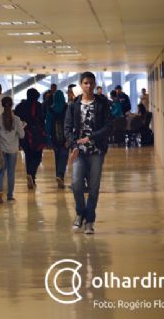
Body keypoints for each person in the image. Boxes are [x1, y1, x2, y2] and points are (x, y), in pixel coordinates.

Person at [65, 72, 113, 234]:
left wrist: (91, 137)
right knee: (76, 184)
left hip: (96, 151)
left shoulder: (102, 103)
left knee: (93, 187)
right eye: (85, 83)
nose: (89, 86)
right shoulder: (73, 105)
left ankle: (89, 221)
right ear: (81, 84)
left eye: (91, 83)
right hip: (79, 152)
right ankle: (80, 213)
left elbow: (108, 126)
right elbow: (68, 127)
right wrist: (74, 144)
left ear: (95, 84)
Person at [0, 96, 24, 203]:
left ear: (2, 105)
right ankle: (10, 196)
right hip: (13, 150)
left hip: (1, 149)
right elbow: (22, 135)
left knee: (0, 171)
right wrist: (21, 128)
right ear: (12, 105)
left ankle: (0, 194)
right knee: (11, 173)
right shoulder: (17, 119)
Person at [14, 88, 45, 189]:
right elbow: (43, 119)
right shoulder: (39, 106)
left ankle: (30, 175)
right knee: (38, 156)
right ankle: (32, 174)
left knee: (28, 155)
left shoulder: (20, 106)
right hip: (37, 135)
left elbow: (16, 119)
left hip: (24, 134)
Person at [46, 91, 69, 188]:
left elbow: (48, 125)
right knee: (64, 157)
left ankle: (59, 176)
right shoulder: (66, 108)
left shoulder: (51, 109)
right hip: (65, 137)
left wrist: (48, 138)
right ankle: (60, 176)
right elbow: (70, 122)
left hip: (54, 137)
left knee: (57, 157)